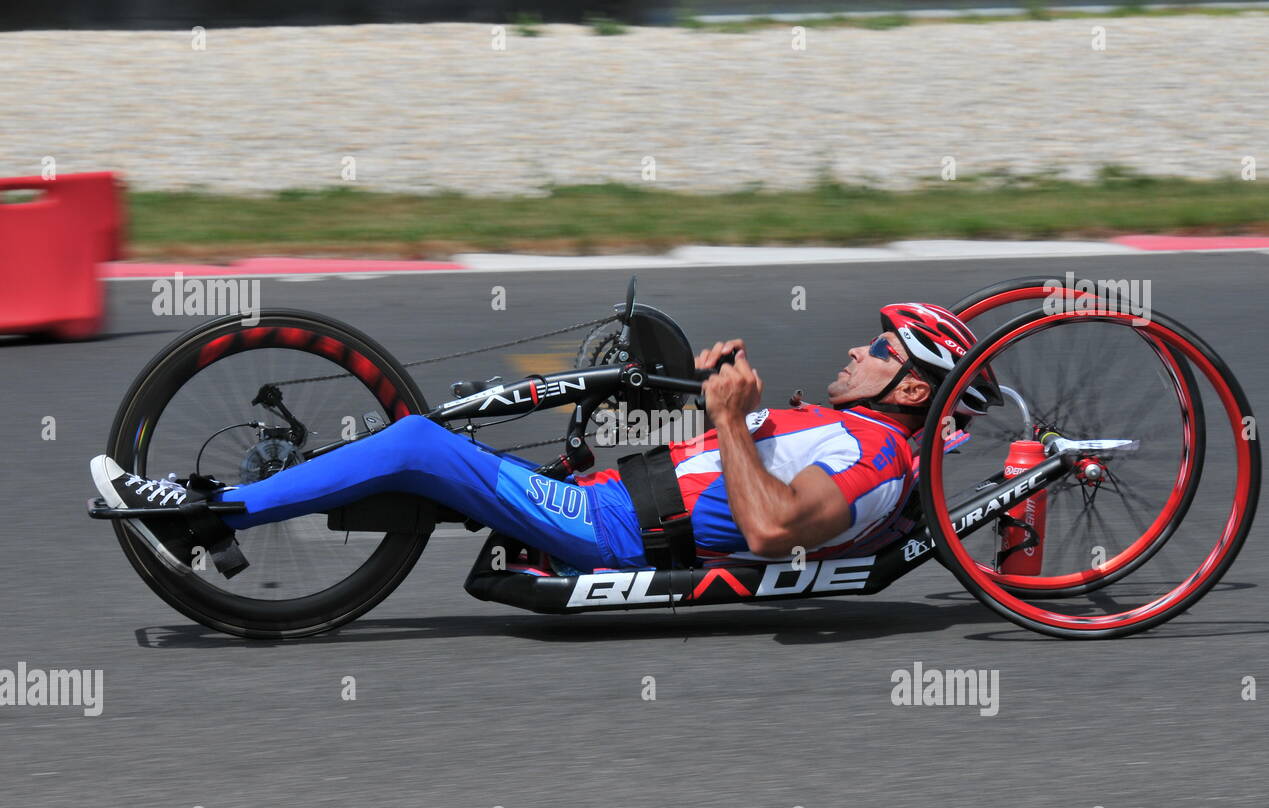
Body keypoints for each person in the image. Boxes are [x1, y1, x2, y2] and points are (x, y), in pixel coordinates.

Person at [90, 303, 1001, 575]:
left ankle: (209, 514)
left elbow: (770, 530)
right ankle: (311, 481)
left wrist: (730, 419)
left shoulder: (879, 459)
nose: (855, 346)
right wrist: (714, 394)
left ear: (914, 386)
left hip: (616, 531)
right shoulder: (850, 428)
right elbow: (735, 462)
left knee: (421, 444)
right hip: (623, 496)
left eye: (878, 349)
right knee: (479, 418)